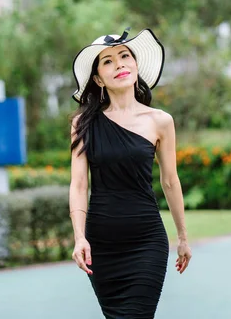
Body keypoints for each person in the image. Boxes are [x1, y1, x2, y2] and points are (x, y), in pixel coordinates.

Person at [68, 27, 192, 318]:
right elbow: (78, 184)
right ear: (98, 78)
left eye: (125, 56)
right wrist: (78, 237)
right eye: (108, 61)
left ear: (136, 65)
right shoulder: (84, 124)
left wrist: (183, 236)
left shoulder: (160, 121)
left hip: (146, 240)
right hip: (101, 244)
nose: (120, 63)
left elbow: (170, 181)